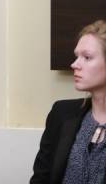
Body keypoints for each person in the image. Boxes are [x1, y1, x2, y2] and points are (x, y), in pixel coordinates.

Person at [31, 20, 106, 183]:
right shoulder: (61, 114)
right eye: (77, 56)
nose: (74, 64)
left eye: (87, 57)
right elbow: (40, 178)